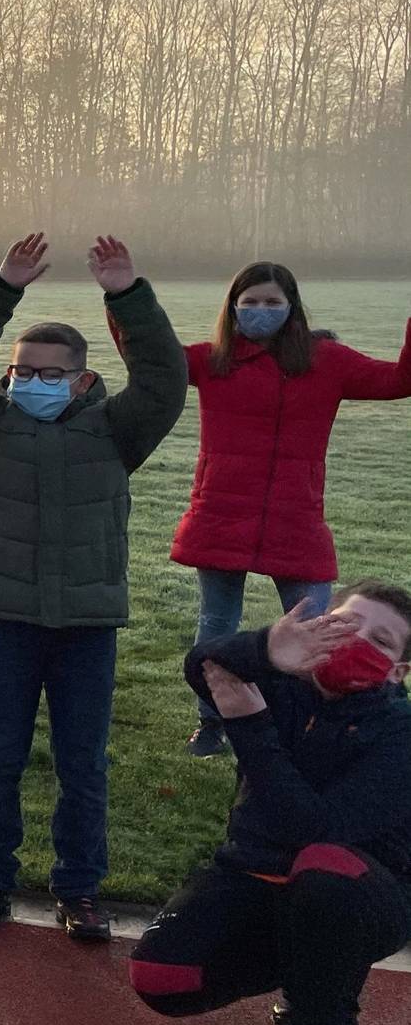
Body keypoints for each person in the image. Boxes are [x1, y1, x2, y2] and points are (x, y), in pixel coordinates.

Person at [0, 234, 187, 941]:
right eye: (22, 370)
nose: (31, 381)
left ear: (81, 379)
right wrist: (2, 287)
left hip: (86, 622)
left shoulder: (117, 430)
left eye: (49, 372)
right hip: (6, 617)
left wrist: (127, 295)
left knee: (83, 763)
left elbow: (166, 378)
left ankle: (79, 888)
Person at [131, 587, 411, 1025]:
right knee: (161, 973)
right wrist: (264, 649)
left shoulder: (400, 737)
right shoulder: (286, 682)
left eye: (378, 640)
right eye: (345, 624)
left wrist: (251, 727)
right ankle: (312, 971)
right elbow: (203, 665)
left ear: (398, 672)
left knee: (324, 866)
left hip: (362, 894)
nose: (355, 642)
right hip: (257, 872)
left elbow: (313, 831)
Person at [159, 262, 411, 758]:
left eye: (271, 302)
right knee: (217, 624)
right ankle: (213, 722)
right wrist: (125, 297)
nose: (259, 311)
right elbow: (150, 358)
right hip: (222, 512)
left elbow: (399, 380)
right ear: (232, 308)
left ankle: (316, 720)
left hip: (296, 518)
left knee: (317, 623)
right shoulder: (215, 360)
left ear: (292, 307)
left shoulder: (327, 360)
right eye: (248, 302)